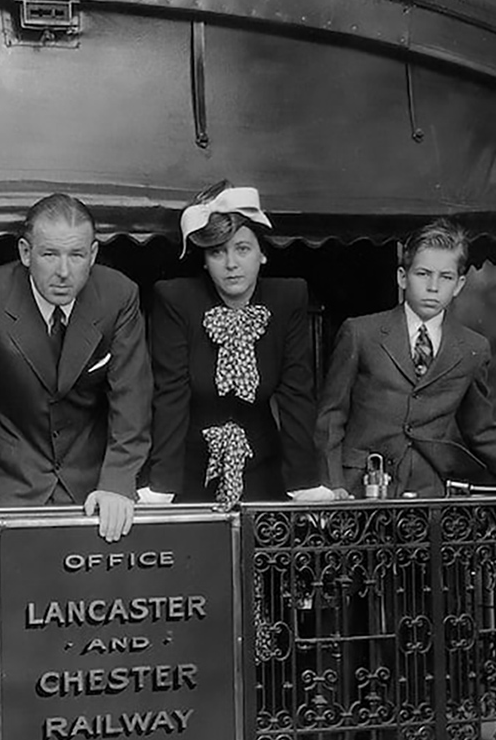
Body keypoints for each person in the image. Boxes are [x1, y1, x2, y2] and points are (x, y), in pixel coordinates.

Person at [0, 193, 152, 542]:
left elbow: (132, 396)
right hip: (6, 481)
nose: (64, 272)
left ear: (93, 255)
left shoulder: (119, 295)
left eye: (76, 255)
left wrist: (117, 483)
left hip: (91, 487)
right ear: (26, 253)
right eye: (50, 255)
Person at [141, 182, 324, 509]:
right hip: (190, 470)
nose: (231, 264)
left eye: (242, 249)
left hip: (264, 465)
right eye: (217, 252)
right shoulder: (176, 300)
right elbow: (170, 397)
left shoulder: (288, 298)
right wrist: (162, 485)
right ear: (204, 260)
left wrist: (305, 483)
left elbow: (297, 397)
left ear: (262, 254)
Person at [316, 218, 496, 498]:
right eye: (423, 274)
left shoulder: (473, 348)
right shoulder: (360, 333)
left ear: (459, 284)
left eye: (446, 277)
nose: (433, 286)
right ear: (402, 277)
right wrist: (333, 485)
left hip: (430, 491)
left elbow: (481, 431)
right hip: (359, 488)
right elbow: (331, 417)